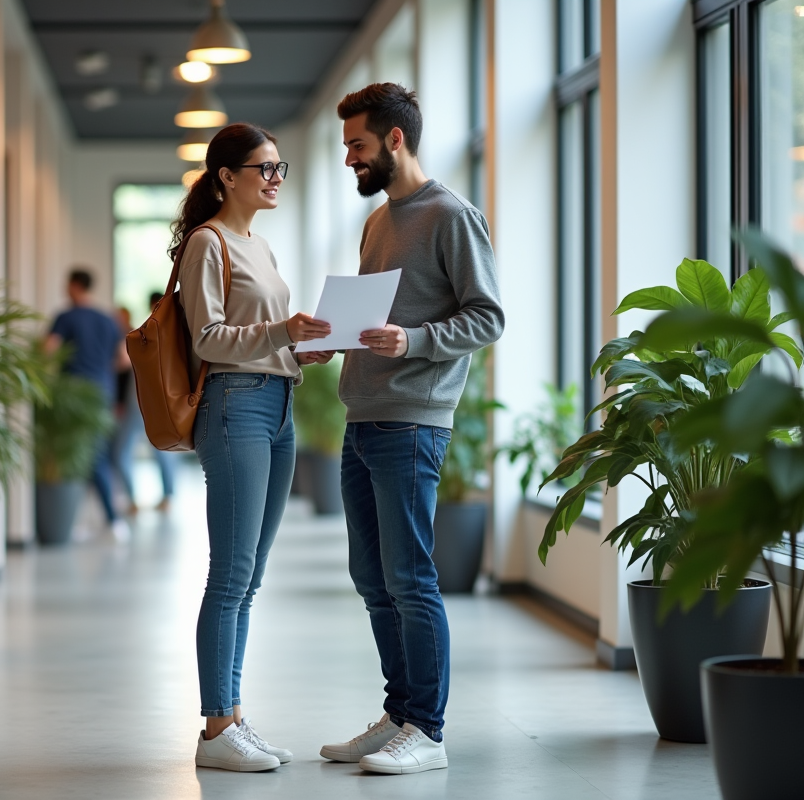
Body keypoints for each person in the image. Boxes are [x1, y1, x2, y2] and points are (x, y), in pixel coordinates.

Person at [316, 84, 504, 775]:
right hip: (362, 416)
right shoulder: (377, 222)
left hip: (412, 423)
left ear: (395, 140)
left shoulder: (452, 215)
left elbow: (488, 316)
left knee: (410, 578)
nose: (350, 159)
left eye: (358, 145)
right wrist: (334, 338)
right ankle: (399, 713)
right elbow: (375, 318)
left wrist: (414, 341)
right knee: (372, 576)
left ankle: (427, 729)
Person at [176, 122, 332, 773]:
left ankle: (233, 716)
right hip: (234, 405)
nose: (274, 178)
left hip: (278, 403)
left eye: (278, 168)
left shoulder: (259, 246)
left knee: (252, 574)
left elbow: (263, 335)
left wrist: (301, 349)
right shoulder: (207, 244)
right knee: (231, 573)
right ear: (226, 177)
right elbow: (208, 338)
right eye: (263, 168)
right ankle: (216, 728)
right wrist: (280, 331)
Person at [46, 268, 132, 541]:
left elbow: (48, 350)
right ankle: (92, 520)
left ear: (74, 285)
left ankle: (111, 519)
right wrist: (101, 369)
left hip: (75, 397)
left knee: (85, 457)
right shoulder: (108, 319)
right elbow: (125, 359)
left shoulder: (65, 317)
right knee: (95, 453)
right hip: (102, 393)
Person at [111, 295, 176, 514]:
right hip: (156, 404)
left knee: (123, 452)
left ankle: (134, 500)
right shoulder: (170, 333)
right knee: (163, 450)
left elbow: (123, 361)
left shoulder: (145, 332)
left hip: (139, 402)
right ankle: (166, 496)